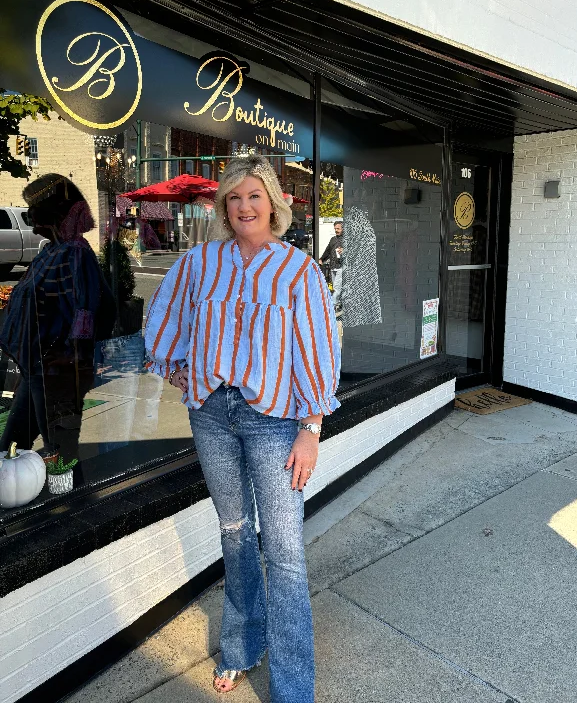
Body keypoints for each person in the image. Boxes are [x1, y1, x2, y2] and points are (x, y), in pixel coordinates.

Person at [145, 156, 340, 702]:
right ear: (224, 208)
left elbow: (318, 351)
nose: (244, 206)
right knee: (234, 533)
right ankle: (240, 646)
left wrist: (312, 427)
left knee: (284, 552)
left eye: (254, 195)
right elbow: (163, 317)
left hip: (276, 422)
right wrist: (179, 368)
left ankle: (294, 689)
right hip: (211, 414)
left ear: (273, 204)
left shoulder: (298, 271)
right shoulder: (200, 263)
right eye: (234, 198)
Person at [0, 174, 115, 461]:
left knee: (60, 455)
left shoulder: (75, 255)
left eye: (37, 218)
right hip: (36, 370)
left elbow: (85, 312)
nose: (35, 228)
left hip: (55, 375)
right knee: (11, 446)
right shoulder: (51, 251)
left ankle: (74, 501)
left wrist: (71, 361)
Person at [319, 220, 344, 308]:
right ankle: (338, 303)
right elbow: (328, 251)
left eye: (338, 229)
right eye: (335, 229)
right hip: (333, 266)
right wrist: (321, 259)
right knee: (335, 287)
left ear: (343, 229)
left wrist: (345, 251)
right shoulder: (333, 239)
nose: (336, 230)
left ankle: (332, 305)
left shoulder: (347, 240)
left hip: (342, 266)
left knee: (337, 287)